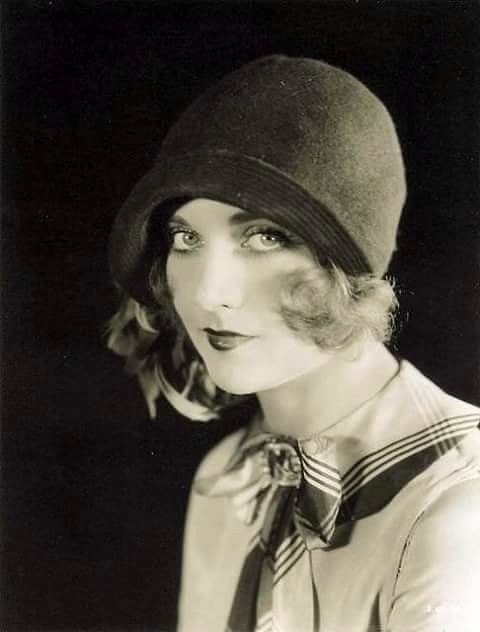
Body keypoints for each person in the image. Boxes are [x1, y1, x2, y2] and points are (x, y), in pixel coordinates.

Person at [107, 56, 480, 632]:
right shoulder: (231, 478)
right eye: (186, 238)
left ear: (351, 268)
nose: (210, 293)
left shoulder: (457, 505)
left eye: (265, 236)